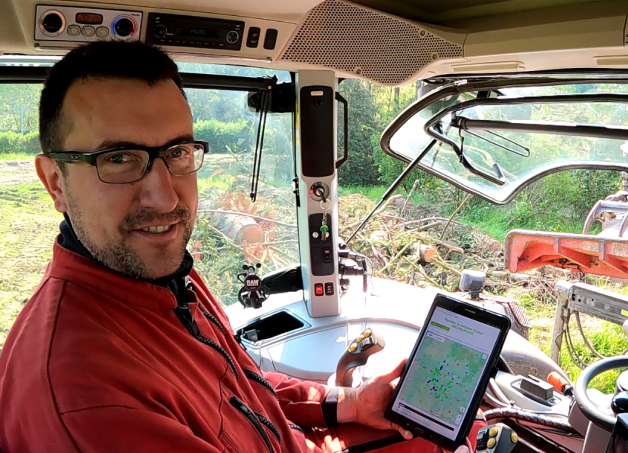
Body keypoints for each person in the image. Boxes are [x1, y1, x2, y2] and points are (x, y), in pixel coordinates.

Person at [0, 41, 477, 453]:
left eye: (177, 153)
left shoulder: (166, 278)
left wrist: (347, 402)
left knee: (452, 430)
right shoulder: (86, 403)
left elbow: (237, 387)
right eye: (118, 158)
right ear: (54, 182)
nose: (165, 198)